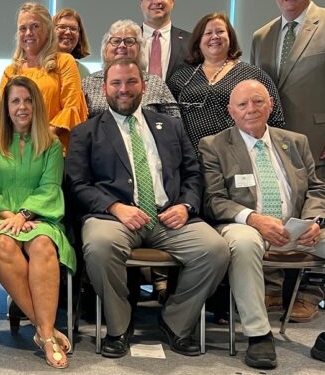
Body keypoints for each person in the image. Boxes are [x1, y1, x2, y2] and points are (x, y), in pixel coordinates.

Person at [66, 57, 229, 358]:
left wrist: (186, 205)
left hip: (169, 217)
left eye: (131, 82)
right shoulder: (86, 132)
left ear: (143, 85)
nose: (123, 89)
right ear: (105, 88)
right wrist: (114, 207)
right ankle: (119, 326)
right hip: (113, 218)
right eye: (116, 83)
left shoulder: (171, 127)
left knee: (215, 250)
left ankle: (176, 322)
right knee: (100, 246)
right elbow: (77, 184)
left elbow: (193, 173)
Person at [199, 79, 325, 372]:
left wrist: (315, 221)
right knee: (243, 243)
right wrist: (254, 218)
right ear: (231, 111)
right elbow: (214, 200)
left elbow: (317, 190)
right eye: (242, 105)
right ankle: (258, 335)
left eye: (258, 102)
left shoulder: (295, 141)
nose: (250, 110)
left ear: (270, 105)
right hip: (245, 225)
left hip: (297, 227)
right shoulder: (214, 145)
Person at [251, 0, 325, 325]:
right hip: (274, 144)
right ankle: (276, 287)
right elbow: (258, 90)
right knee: (277, 209)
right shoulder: (262, 35)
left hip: (323, 142)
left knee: (318, 218)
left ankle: (311, 290)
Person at [0, 76, 74, 369]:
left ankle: (42, 329)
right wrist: (11, 217)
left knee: (43, 244)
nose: (22, 107)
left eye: (28, 100)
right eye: (15, 101)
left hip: (39, 217)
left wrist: (25, 215)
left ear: (36, 105)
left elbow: (50, 188)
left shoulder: (51, 145)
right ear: (6, 107)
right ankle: (47, 331)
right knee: (2, 243)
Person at [168, 12, 286, 152]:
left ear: (230, 38)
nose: (215, 37)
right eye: (208, 33)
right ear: (198, 41)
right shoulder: (181, 77)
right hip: (192, 159)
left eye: (220, 31)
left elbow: (276, 119)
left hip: (240, 157)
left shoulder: (253, 75)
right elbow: (169, 121)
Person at [1, 2, 87, 152]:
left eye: (35, 26)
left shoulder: (64, 62)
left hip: (55, 152)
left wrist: (37, 141)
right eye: (23, 28)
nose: (28, 33)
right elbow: (1, 117)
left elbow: (71, 108)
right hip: (16, 154)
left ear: (48, 31)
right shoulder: (10, 71)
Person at [81, 19, 180, 119]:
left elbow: (175, 122)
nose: (122, 45)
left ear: (140, 49)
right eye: (116, 41)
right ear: (105, 49)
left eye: (129, 41)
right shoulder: (88, 83)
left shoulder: (155, 83)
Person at [139, 0, 191, 81]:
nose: (157, 1)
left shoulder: (192, 42)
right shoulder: (128, 41)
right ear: (141, 4)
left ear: (172, 2)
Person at [53, 8, 91, 77]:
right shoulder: (39, 65)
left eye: (73, 28)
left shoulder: (84, 72)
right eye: (62, 27)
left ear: (79, 35)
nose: (68, 32)